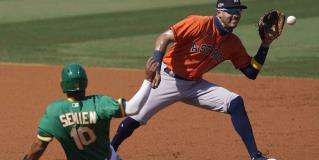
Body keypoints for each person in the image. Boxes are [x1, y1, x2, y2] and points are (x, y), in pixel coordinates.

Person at [111, 0, 278, 159]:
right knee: (135, 117)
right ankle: (109, 152)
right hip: (167, 78)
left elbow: (251, 72)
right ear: (219, 12)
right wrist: (156, 65)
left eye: (238, 11)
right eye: (231, 12)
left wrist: (265, 44)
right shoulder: (199, 23)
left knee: (235, 103)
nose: (236, 15)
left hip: (195, 85)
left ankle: (255, 157)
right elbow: (164, 37)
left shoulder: (233, 43)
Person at [23, 58, 158, 160]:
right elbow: (133, 108)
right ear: (85, 82)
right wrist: (147, 79)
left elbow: (39, 145)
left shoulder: (54, 112)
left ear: (63, 85)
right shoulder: (99, 103)